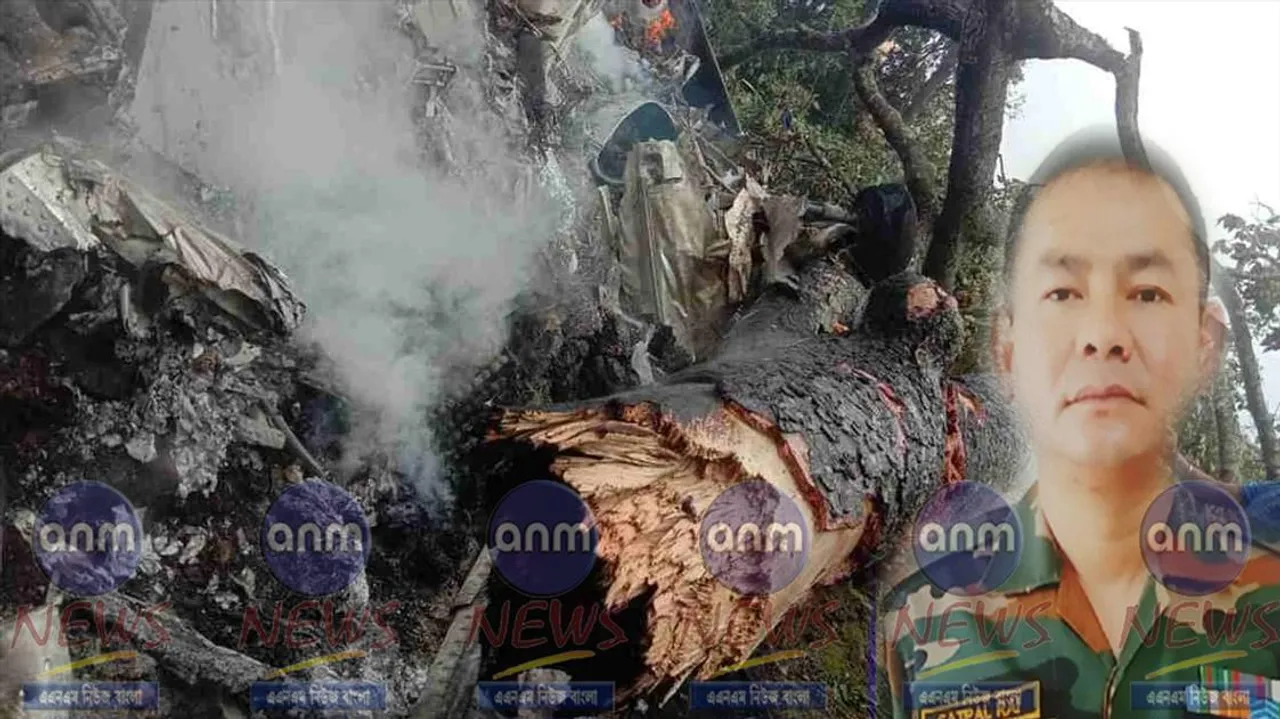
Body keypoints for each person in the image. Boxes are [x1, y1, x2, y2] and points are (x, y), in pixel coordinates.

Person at [880, 129, 1280, 719]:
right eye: (1063, 292)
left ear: (1204, 344)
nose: (1102, 334)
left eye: (1147, 293)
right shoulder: (921, 620)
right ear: (1008, 348)